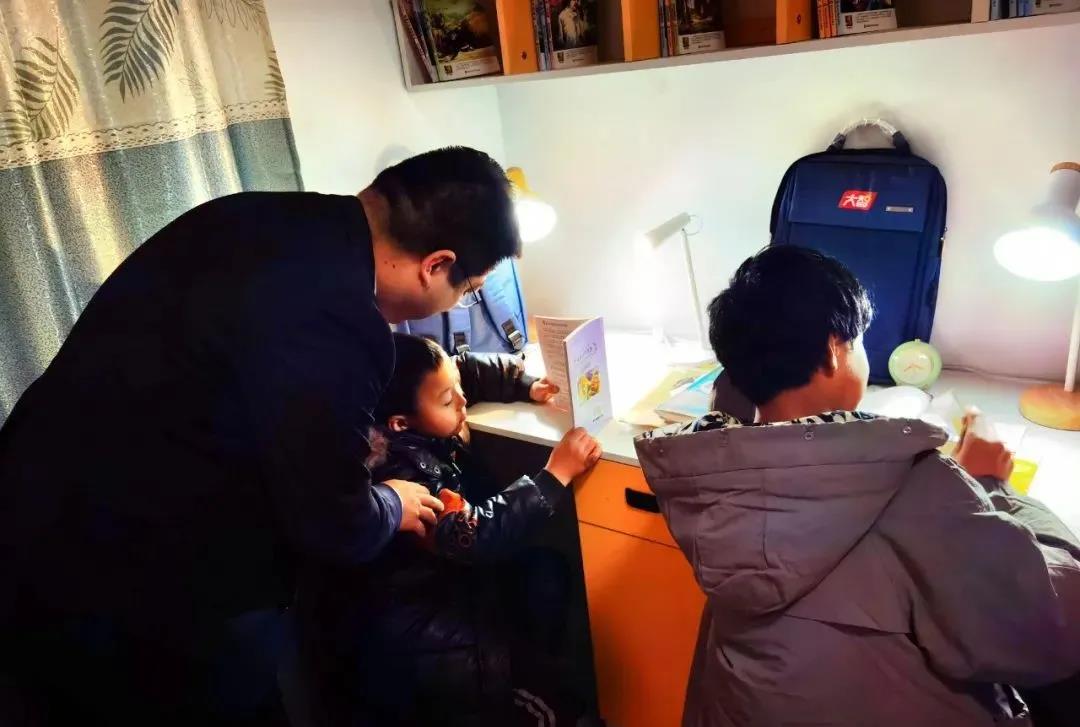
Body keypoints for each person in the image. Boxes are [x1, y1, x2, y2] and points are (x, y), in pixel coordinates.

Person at [0, 147, 520, 725]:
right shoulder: (340, 320)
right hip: (126, 578)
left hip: (36, 507)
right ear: (436, 264)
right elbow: (335, 523)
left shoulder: (248, 215)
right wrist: (392, 502)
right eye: (467, 289)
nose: (460, 302)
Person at [634, 245, 1080, 727]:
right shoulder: (917, 489)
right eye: (859, 342)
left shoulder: (709, 470)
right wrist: (990, 486)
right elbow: (1056, 629)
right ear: (833, 350)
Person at [312, 333, 602, 726]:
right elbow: (473, 535)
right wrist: (555, 475)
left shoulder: (409, 413)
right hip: (427, 633)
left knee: (546, 570)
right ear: (400, 423)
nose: (463, 402)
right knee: (558, 707)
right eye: (449, 400)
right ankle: (517, 684)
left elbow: (460, 368)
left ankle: (530, 665)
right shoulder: (403, 475)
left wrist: (523, 384)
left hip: (447, 587)